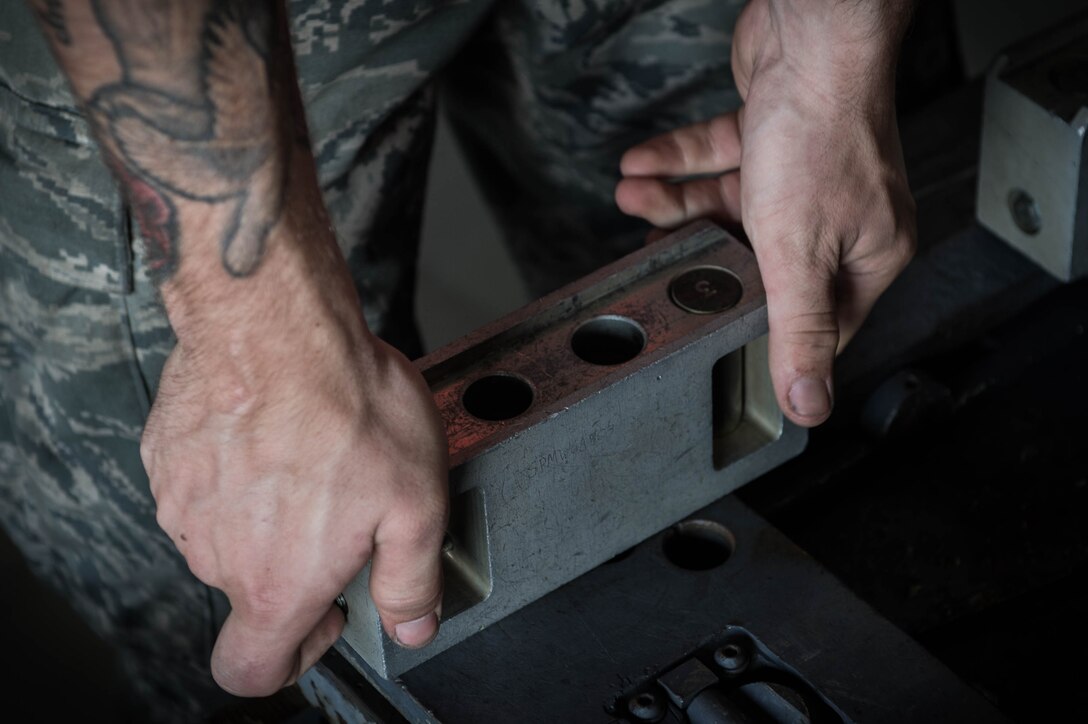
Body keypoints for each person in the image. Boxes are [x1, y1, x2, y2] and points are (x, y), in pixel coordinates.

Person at [0, 0, 916, 720]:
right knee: (272, 562)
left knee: (757, 287)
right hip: (176, 48)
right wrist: (253, 338)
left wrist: (833, 47)